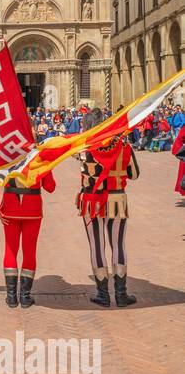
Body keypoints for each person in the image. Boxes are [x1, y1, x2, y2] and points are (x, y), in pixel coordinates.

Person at [76, 126, 140, 308]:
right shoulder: (124, 146)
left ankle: (103, 295)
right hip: (117, 198)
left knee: (97, 245)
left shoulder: (85, 148)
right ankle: (121, 294)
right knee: (118, 244)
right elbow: (134, 174)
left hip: (92, 200)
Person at [0, 173, 56, 308]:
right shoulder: (40, 156)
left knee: (10, 250)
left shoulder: (6, 154)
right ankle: (25, 297)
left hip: (10, 206)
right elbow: (50, 187)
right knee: (29, 251)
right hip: (33, 208)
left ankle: (12, 297)